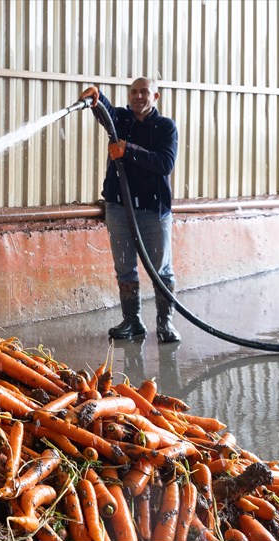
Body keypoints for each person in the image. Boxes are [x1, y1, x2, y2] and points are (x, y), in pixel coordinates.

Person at [79, 79, 180, 343]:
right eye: (133, 92)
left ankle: (165, 323)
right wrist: (96, 98)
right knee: (125, 268)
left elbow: (164, 163)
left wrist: (128, 150)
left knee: (161, 269)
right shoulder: (122, 119)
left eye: (144, 92)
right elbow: (108, 112)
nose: (138, 96)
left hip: (152, 210)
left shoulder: (165, 127)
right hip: (119, 208)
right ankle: (132, 321)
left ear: (155, 96)